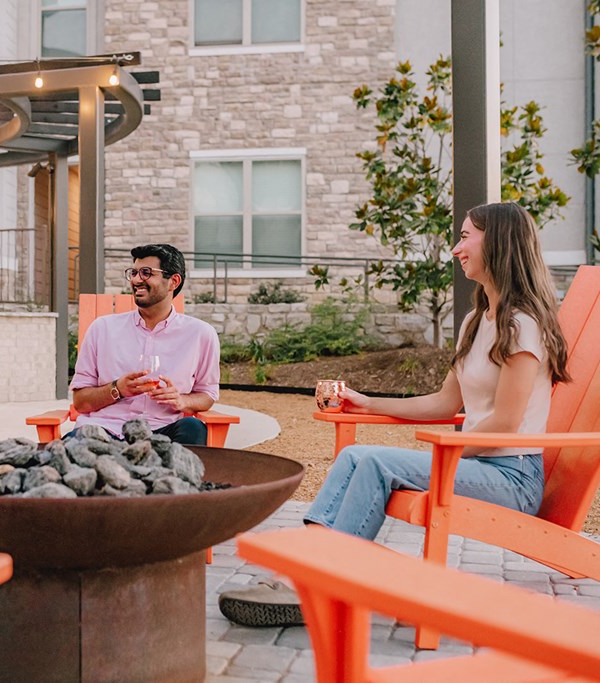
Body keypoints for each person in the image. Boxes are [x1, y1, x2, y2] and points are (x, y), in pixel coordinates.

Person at [220, 201, 569, 627]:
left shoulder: (523, 324)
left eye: (464, 236)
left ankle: (322, 584)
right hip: (474, 464)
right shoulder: (478, 321)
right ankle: (305, 575)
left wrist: (443, 455)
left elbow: (506, 426)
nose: (456, 249)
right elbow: (442, 404)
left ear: (496, 241)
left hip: (511, 476)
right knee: (354, 456)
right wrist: (367, 401)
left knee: (378, 462)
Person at [68, 243, 220, 445]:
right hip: (104, 430)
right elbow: (80, 402)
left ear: (173, 281)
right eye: (134, 272)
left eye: (146, 273)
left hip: (162, 430)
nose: (136, 280)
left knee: (193, 427)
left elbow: (207, 394)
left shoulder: (200, 334)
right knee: (67, 454)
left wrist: (183, 400)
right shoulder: (102, 329)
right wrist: (117, 389)